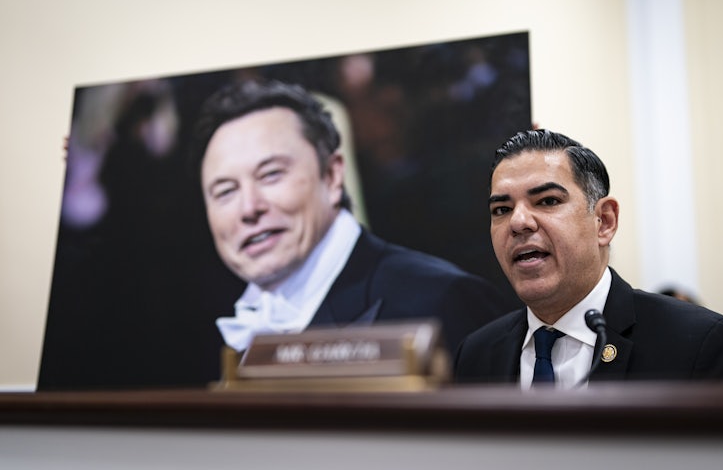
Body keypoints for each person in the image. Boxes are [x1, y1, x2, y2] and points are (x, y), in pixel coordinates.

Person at [190, 79, 516, 357]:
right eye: (225, 191)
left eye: (271, 174)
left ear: (332, 177)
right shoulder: (214, 334)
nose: (249, 208)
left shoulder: (441, 303)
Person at [454, 129, 723, 387]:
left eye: (547, 201)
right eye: (501, 210)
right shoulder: (476, 356)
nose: (519, 222)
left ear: (605, 221)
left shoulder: (698, 344)